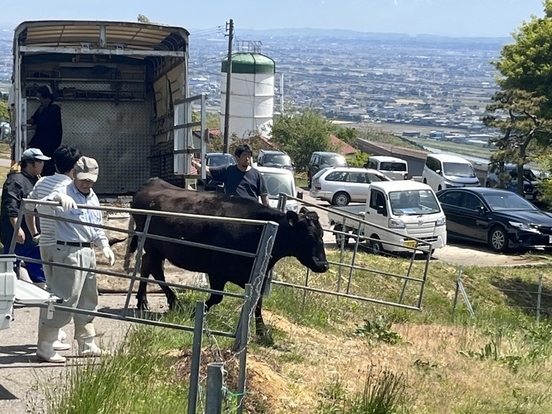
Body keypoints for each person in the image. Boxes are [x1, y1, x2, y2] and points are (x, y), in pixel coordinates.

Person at [35, 156, 115, 363]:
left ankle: (87, 343)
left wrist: (104, 245)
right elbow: (39, 206)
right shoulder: (63, 190)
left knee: (88, 299)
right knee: (63, 298)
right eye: (82, 179)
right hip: (68, 251)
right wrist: (56, 201)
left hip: (87, 252)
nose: (86, 183)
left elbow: (95, 226)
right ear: (74, 175)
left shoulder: (92, 196)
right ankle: (45, 345)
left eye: (90, 180)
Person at [24, 145, 82, 353]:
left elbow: (28, 208)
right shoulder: (70, 187)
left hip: (45, 243)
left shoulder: (42, 182)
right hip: (62, 244)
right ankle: (49, 339)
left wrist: (34, 233)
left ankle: (51, 335)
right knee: (61, 293)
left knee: (50, 289)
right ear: (75, 166)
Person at [0, 148, 50, 286]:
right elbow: (11, 207)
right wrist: (18, 229)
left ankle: (41, 293)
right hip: (16, 235)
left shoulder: (36, 180)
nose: (43, 165)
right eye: (40, 161)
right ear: (31, 163)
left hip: (33, 235)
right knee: (9, 266)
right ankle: (7, 295)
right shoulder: (15, 180)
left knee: (38, 268)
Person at [192, 144, 269, 206]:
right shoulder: (228, 171)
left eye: (249, 155)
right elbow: (208, 170)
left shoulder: (256, 174)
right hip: (233, 211)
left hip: (251, 213)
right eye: (244, 155)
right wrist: (193, 162)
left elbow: (264, 195)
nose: (247, 159)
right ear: (237, 157)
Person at [27, 85, 63, 176]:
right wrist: (23, 121)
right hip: (40, 139)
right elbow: (34, 119)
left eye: (41, 97)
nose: (40, 100)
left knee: (48, 162)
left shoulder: (54, 109)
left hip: (50, 142)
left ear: (46, 97)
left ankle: (49, 177)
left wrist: (34, 127)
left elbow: (47, 124)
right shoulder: (41, 108)